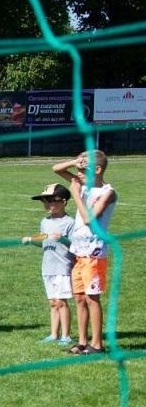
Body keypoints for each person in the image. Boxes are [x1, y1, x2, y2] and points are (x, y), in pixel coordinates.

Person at [53, 149, 118, 355]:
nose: (78, 172)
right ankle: (82, 342)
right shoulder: (82, 185)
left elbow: (90, 218)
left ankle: (97, 344)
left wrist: (75, 193)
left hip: (94, 253)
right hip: (79, 252)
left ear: (97, 170)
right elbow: (56, 169)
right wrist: (76, 160)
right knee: (80, 298)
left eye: (83, 169)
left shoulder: (107, 192)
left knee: (92, 298)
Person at [22, 183, 75, 347]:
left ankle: (66, 335)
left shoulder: (70, 223)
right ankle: (54, 334)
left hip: (63, 267)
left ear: (64, 202)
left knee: (61, 301)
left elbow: (75, 245)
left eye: (51, 201)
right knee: (53, 302)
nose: (47, 205)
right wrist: (31, 241)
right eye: (45, 202)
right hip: (48, 267)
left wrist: (63, 239)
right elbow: (43, 242)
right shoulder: (45, 221)